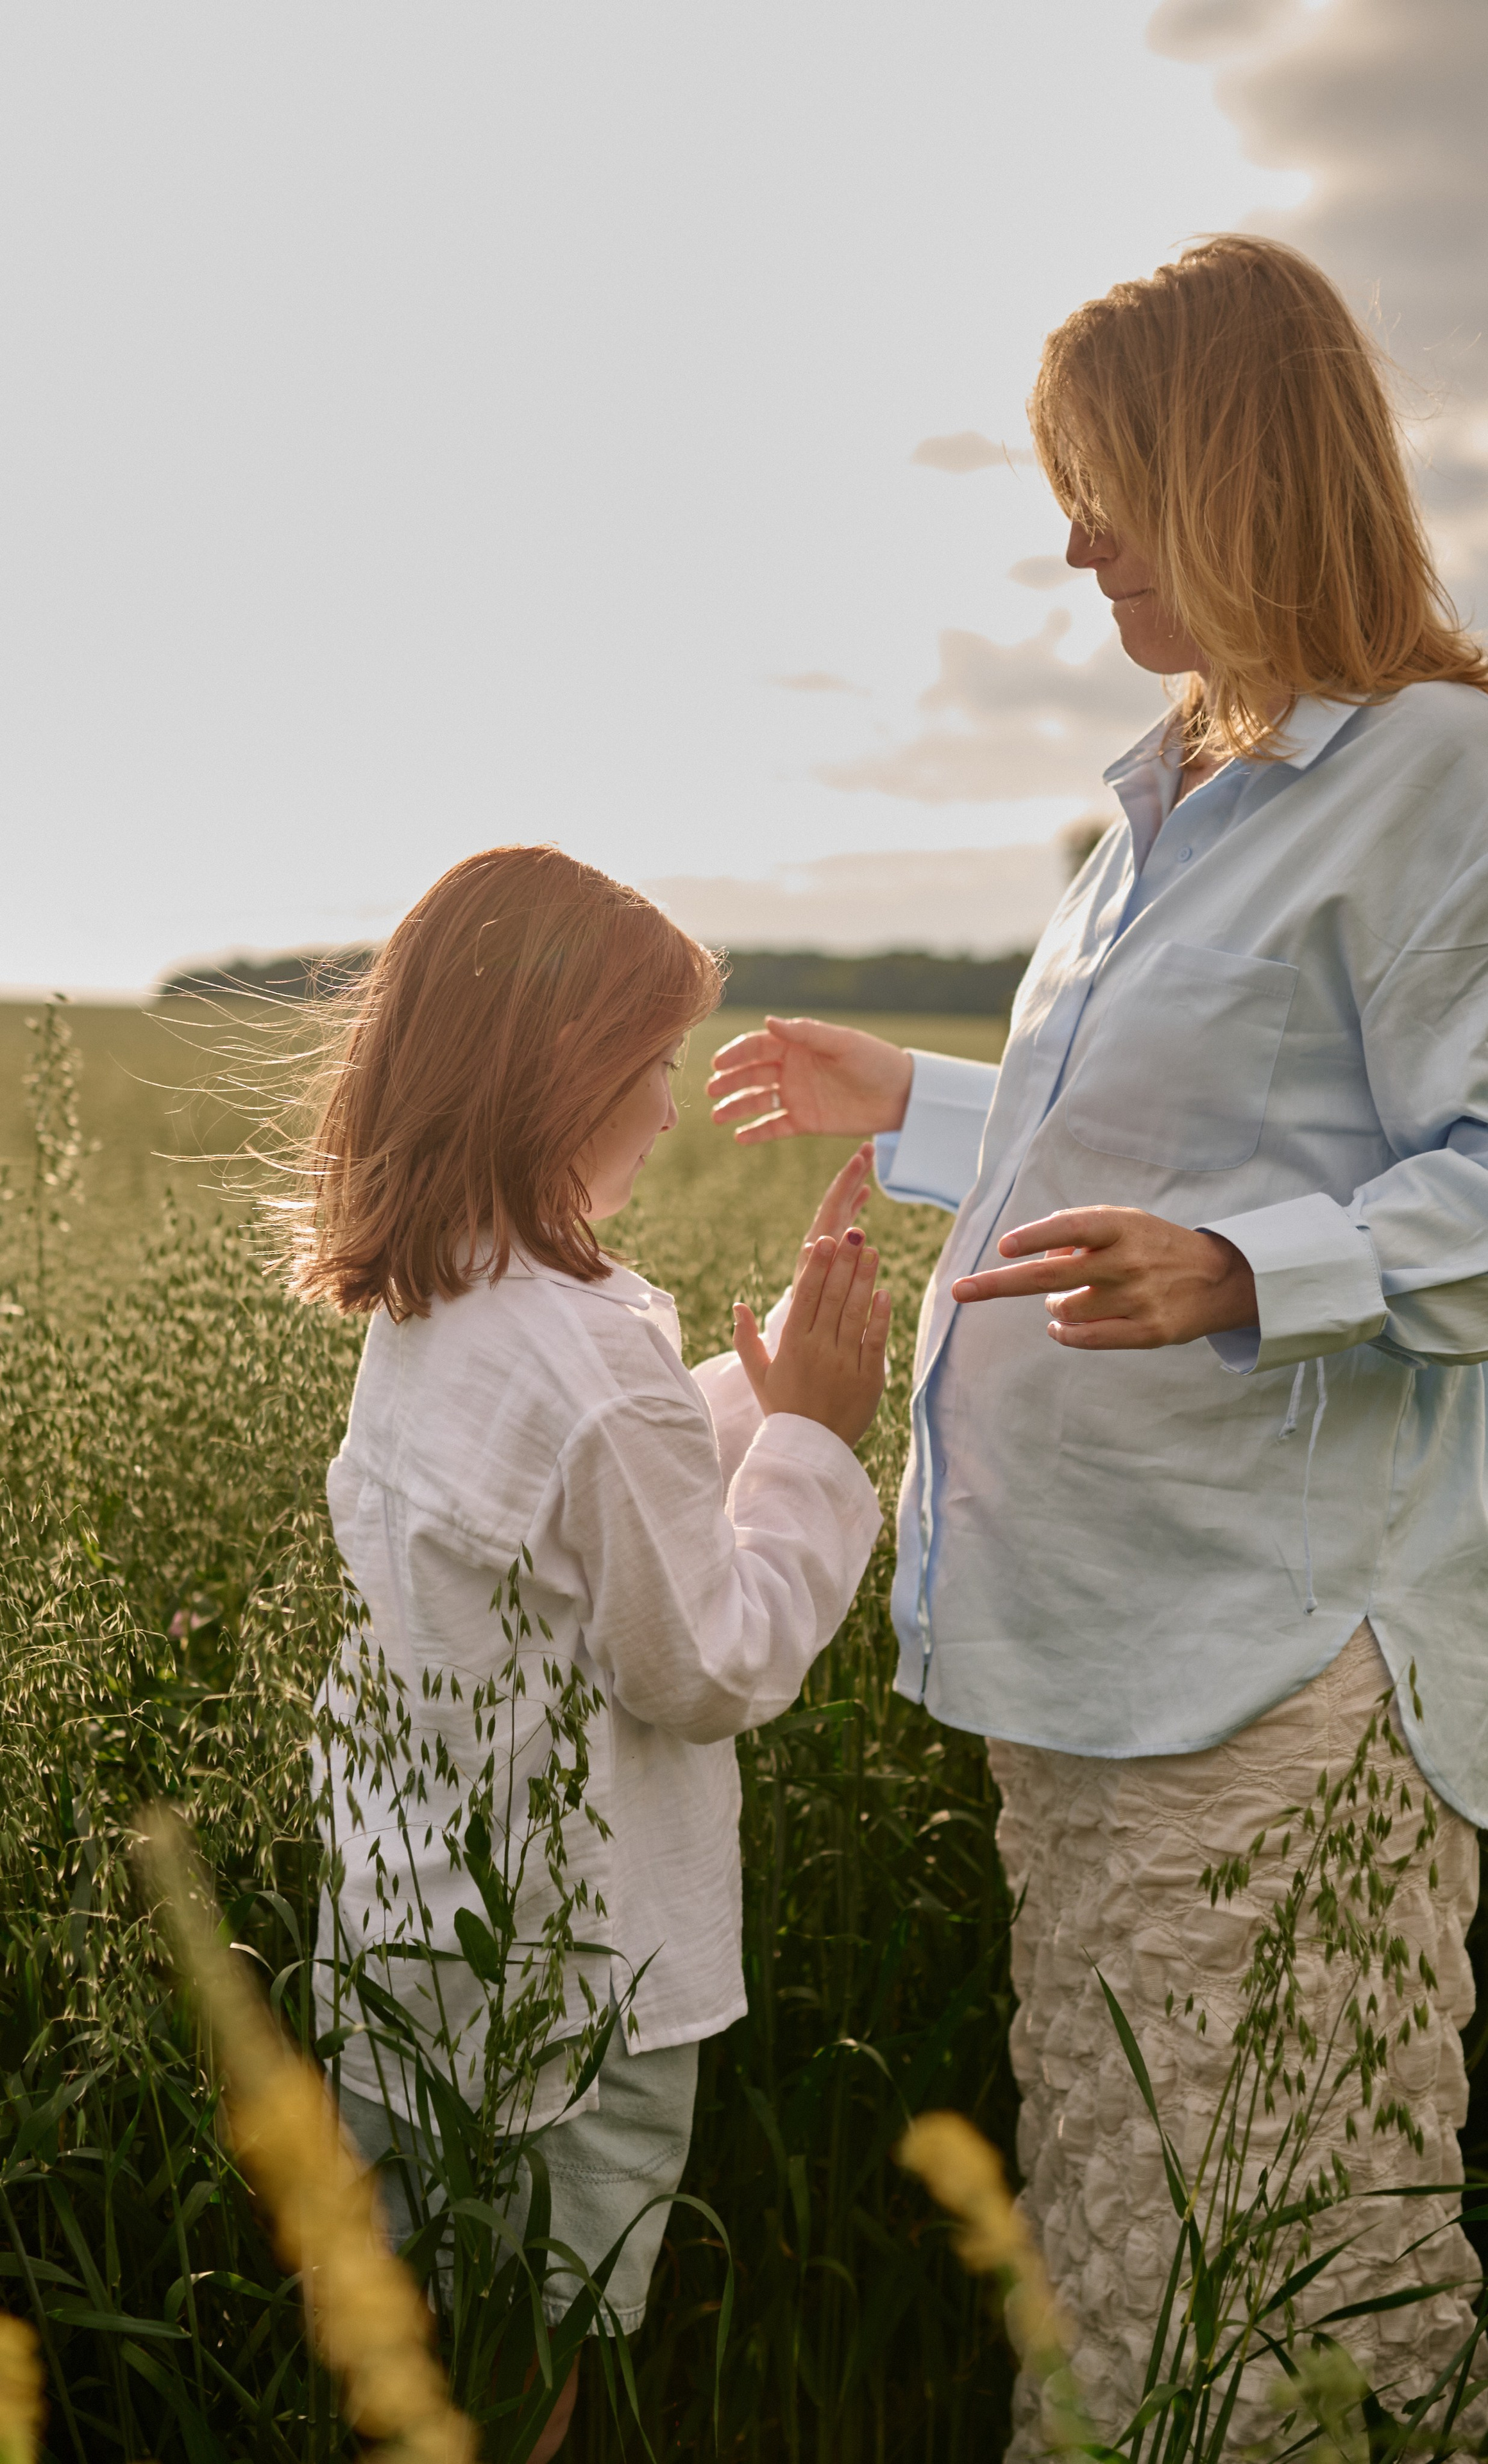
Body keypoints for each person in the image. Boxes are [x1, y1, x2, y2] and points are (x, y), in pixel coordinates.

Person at [708, 235, 1488, 2454]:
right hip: (1099, 1645)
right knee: (1132, 2237)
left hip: (1277, 1662)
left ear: (1238, 468)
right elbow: (1179, 1145)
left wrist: (1247, 1272)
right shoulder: (1167, 797)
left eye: (1107, 486)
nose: (1074, 547)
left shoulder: (1445, 774)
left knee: (1301, 2267)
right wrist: (925, 1099)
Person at [292, 845, 890, 2461]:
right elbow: (708, 1663)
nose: (672, 1107)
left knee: (420, 2330)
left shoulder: (439, 1297)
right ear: (562, 1080)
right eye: (655, 1065)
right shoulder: (589, 1366)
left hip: (410, 1923)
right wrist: (811, 1441)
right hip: (570, 1976)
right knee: (524, 2359)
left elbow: (574, 1508)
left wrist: (754, 1388)